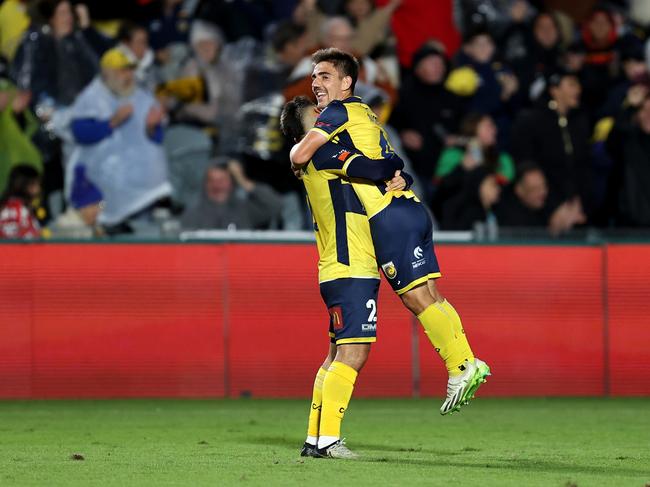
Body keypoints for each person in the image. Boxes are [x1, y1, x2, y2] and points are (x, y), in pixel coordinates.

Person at [290, 48, 489, 423]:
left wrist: (296, 153)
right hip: (408, 208)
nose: (316, 84)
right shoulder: (361, 115)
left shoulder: (336, 116)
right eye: (314, 77)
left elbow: (302, 155)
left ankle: (461, 364)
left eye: (324, 76)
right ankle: (463, 362)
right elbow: (382, 161)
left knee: (413, 301)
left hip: (385, 220)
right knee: (428, 294)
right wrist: (397, 169)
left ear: (347, 83)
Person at [281, 96, 410, 459]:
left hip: (338, 267)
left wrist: (399, 177)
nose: (325, 117)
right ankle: (329, 440)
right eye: (316, 116)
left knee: (336, 354)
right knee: (354, 352)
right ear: (305, 132)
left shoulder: (318, 157)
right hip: (350, 264)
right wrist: (396, 163)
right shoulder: (321, 154)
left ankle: (314, 439)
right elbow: (374, 168)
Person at [68, 47, 172, 233]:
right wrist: (112, 122)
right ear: (108, 74)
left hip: (141, 189)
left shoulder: (142, 97)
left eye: (130, 70)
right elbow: (80, 133)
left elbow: (157, 138)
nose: (128, 76)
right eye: (123, 71)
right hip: (100, 187)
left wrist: (151, 127)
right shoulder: (90, 98)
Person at [510, 70, 591, 220]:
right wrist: (553, 208)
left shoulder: (580, 122)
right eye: (571, 85)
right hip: (542, 211)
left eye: (578, 84)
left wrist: (580, 204)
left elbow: (583, 168)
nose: (578, 90)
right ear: (554, 90)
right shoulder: (532, 122)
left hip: (577, 210)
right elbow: (528, 166)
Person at [180, 159, 283, 231]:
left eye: (222, 180)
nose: (216, 186)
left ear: (232, 183)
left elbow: (275, 205)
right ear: (205, 184)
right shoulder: (193, 214)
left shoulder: (245, 209)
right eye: (211, 181)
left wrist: (244, 182)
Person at [50, 164, 103, 238]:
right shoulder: (68, 225)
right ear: (82, 207)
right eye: (93, 205)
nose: (97, 210)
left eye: (99, 205)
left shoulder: (93, 225)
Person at [0, 164, 41, 239]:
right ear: (26, 186)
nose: (39, 189)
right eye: (36, 184)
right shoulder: (20, 212)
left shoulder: (4, 207)